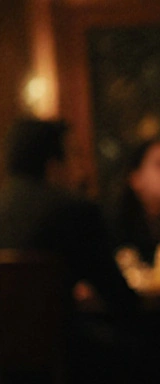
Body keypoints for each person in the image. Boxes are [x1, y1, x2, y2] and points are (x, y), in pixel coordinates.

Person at [0, 118, 135, 316]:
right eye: (75, 155)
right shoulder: (74, 211)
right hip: (61, 343)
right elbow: (119, 297)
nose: (81, 168)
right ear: (53, 166)